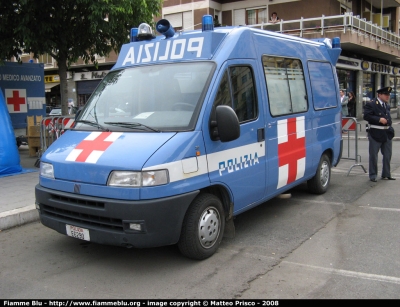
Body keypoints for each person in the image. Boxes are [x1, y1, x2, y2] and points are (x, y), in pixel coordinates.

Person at [363, 87, 396, 182]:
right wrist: (378, 119)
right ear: (379, 94)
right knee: (373, 155)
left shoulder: (387, 105)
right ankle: (373, 175)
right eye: (386, 94)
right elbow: (366, 116)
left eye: (388, 95)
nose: (388, 96)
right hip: (375, 133)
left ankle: (386, 174)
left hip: (387, 133)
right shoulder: (372, 104)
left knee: (387, 155)